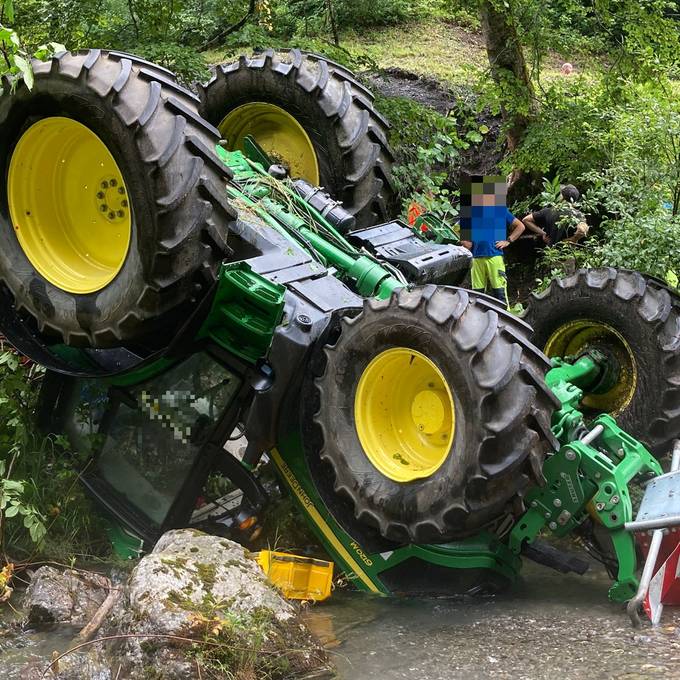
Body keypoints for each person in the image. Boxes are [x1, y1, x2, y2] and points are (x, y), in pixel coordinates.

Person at [459, 175, 525, 308]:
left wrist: (508, 241)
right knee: (477, 296)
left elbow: (521, 226)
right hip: (477, 258)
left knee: (499, 294)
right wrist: (464, 242)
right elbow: (464, 238)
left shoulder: (499, 210)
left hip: (494, 256)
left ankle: (506, 324)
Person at [522, 184, 589, 246]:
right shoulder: (578, 215)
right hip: (570, 253)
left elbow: (526, 220)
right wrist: (572, 240)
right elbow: (582, 230)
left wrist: (543, 233)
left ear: (562, 197)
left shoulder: (549, 211)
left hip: (552, 253)